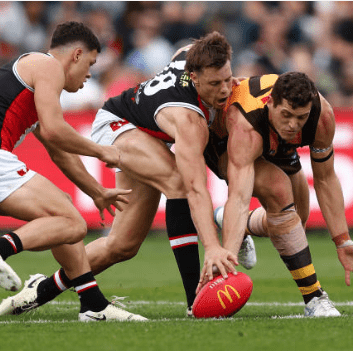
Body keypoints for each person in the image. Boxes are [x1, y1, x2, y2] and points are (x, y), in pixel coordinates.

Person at [0, 21, 146, 322]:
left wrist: (96, 190)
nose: (89, 74)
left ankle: (93, 305)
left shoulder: (30, 74)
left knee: (61, 210)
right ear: (76, 55)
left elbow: (59, 152)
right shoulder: (46, 65)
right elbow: (54, 131)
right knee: (73, 223)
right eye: (89, 64)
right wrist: (102, 150)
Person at [85, 31, 241, 316]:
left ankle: (44, 286)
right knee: (179, 182)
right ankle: (194, 300)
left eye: (228, 79)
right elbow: (196, 189)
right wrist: (212, 247)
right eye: (214, 83)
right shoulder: (188, 119)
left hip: (147, 132)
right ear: (194, 78)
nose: (225, 90)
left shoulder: (189, 56)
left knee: (122, 246)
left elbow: (184, 52)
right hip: (118, 123)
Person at [203, 72, 353, 317]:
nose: (293, 125)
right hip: (224, 143)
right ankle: (314, 298)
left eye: (301, 118)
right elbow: (239, 197)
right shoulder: (245, 122)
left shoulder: (322, 116)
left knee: (297, 218)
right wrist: (227, 262)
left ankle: (238, 224)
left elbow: (326, 178)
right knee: (278, 188)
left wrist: (342, 240)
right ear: (271, 103)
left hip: (276, 142)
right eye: (286, 115)